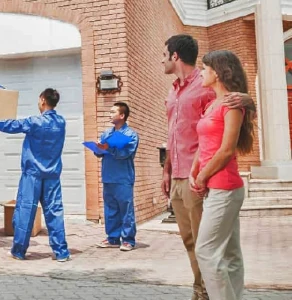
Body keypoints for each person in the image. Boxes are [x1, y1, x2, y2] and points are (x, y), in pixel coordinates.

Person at [160, 34, 252, 300]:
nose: (162, 60)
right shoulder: (173, 91)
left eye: (164, 55)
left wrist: (248, 100)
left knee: (206, 245)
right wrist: (166, 171)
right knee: (191, 241)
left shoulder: (205, 84)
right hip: (180, 174)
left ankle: (205, 294)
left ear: (175, 56)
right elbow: (172, 133)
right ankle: (201, 290)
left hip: (205, 177)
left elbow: (232, 98)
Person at [190, 50, 256, 300]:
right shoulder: (211, 104)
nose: (202, 73)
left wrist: (202, 177)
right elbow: (205, 143)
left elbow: (226, 150)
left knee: (206, 251)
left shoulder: (233, 103)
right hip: (214, 186)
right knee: (229, 253)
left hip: (225, 188)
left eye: (204, 68)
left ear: (217, 72)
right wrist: (195, 170)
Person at [0, 88, 71, 262]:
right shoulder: (61, 122)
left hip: (33, 175)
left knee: (26, 211)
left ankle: (19, 251)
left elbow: (14, 126)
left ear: (43, 100)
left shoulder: (35, 122)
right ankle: (62, 252)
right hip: (52, 175)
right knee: (54, 212)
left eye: (39, 100)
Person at [93, 102, 139, 251]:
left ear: (122, 115)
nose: (109, 114)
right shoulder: (106, 134)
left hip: (123, 178)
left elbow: (125, 154)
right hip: (108, 177)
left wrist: (109, 148)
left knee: (126, 210)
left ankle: (128, 240)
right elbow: (99, 154)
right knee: (110, 209)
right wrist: (98, 148)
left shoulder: (131, 135)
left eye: (113, 111)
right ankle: (113, 238)